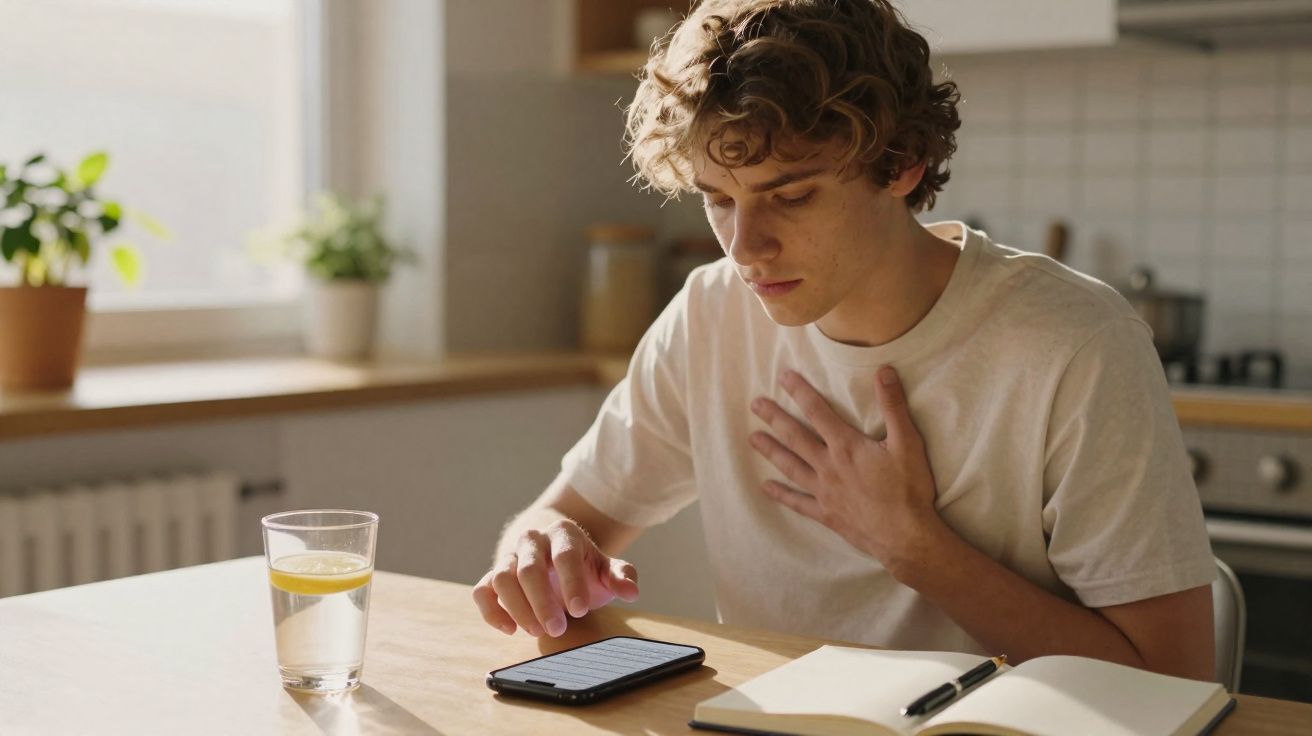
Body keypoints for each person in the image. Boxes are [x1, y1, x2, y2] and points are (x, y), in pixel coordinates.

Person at [471, 0, 1217, 679]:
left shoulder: (1077, 344)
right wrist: (539, 546)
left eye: (791, 196)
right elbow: (562, 518)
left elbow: (1175, 681)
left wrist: (915, 548)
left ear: (902, 163)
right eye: (717, 200)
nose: (745, 247)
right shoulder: (710, 313)